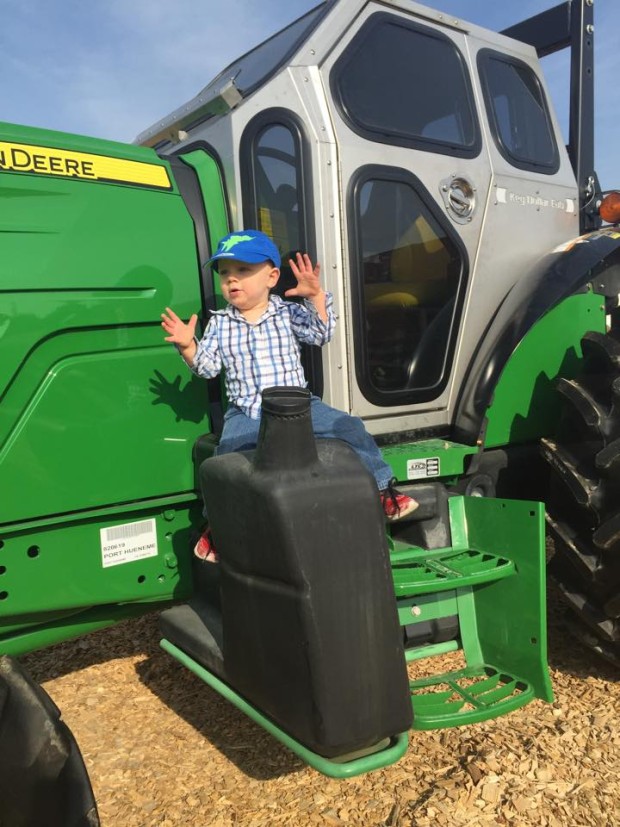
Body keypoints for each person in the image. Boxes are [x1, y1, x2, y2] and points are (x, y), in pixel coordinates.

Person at [161, 229, 418, 561]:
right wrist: (188, 346)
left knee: (350, 427)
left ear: (272, 277)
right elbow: (208, 368)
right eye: (225, 273)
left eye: (242, 270)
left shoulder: (285, 311)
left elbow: (321, 333)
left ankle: (383, 491)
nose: (232, 280)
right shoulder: (220, 324)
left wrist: (315, 297)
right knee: (225, 460)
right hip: (247, 410)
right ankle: (218, 528)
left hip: (298, 404)